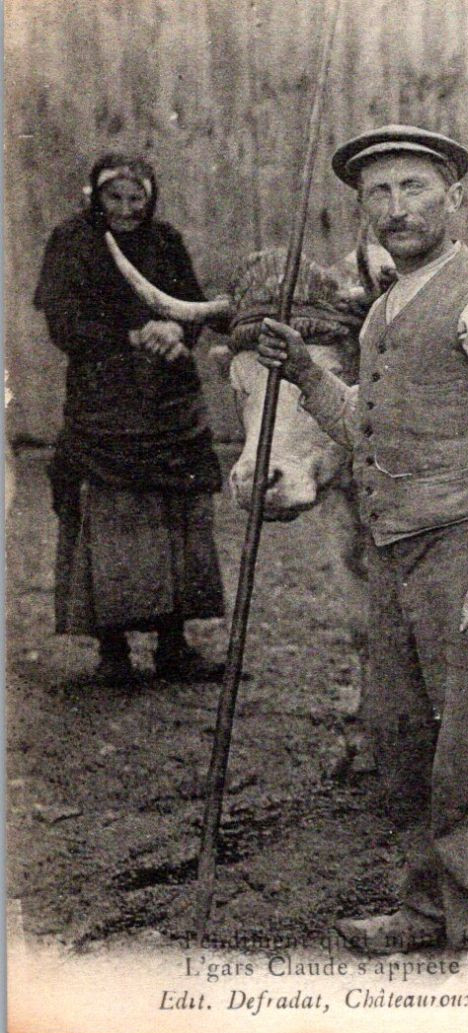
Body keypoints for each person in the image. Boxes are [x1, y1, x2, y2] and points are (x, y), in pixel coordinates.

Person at [255, 125, 468, 953]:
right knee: (403, 736)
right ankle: (427, 907)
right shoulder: (387, 307)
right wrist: (307, 376)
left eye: (414, 188)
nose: (396, 208)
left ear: (455, 199)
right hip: (395, 549)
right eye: (378, 194)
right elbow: (370, 426)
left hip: (466, 547)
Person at [33, 154, 226, 686]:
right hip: (106, 404)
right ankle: (113, 652)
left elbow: (192, 306)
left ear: (150, 198)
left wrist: (175, 333)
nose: (125, 209)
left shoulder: (165, 241)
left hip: (167, 402)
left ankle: (173, 646)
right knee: (109, 518)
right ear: (94, 197)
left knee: (175, 517)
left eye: (135, 199)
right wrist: (130, 335)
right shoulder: (72, 242)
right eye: (114, 198)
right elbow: (64, 323)